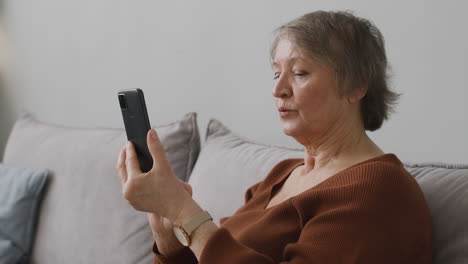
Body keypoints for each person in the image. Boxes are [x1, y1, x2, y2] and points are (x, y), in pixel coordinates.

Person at [116, 10, 432, 263]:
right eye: (276, 73)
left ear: (356, 86)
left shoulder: (377, 190)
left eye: (299, 73)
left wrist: (183, 209)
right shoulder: (282, 173)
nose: (277, 89)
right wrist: (169, 239)